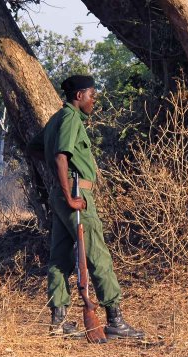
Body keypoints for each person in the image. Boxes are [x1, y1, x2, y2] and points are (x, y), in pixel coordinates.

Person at [28, 75, 144, 341]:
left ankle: (58, 322)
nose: (94, 100)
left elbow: (35, 147)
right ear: (79, 95)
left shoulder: (58, 118)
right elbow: (60, 156)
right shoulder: (69, 119)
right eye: (92, 95)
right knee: (97, 256)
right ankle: (115, 320)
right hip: (76, 194)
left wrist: (60, 182)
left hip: (63, 193)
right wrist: (69, 190)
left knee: (60, 257)